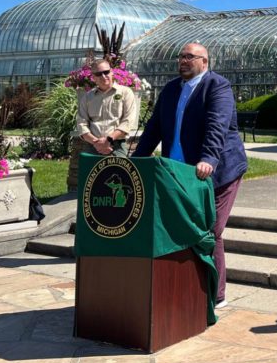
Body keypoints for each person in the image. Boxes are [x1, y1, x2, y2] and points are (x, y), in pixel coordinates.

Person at [133, 42, 247, 309]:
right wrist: (137, 160)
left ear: (204, 62)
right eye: (180, 57)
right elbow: (155, 127)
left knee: (211, 230)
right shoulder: (172, 89)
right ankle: (185, 286)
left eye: (189, 57)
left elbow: (217, 126)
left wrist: (208, 158)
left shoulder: (217, 86)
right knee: (181, 227)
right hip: (179, 174)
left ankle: (216, 294)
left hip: (219, 172)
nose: (182, 61)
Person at [75, 58, 139, 158]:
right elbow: (81, 123)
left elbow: (128, 121)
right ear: (93, 77)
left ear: (111, 72)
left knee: (119, 173)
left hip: (116, 147)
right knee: (88, 173)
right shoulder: (87, 97)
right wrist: (96, 143)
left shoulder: (126, 93)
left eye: (106, 72)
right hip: (92, 147)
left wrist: (108, 139)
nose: (103, 76)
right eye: (98, 74)